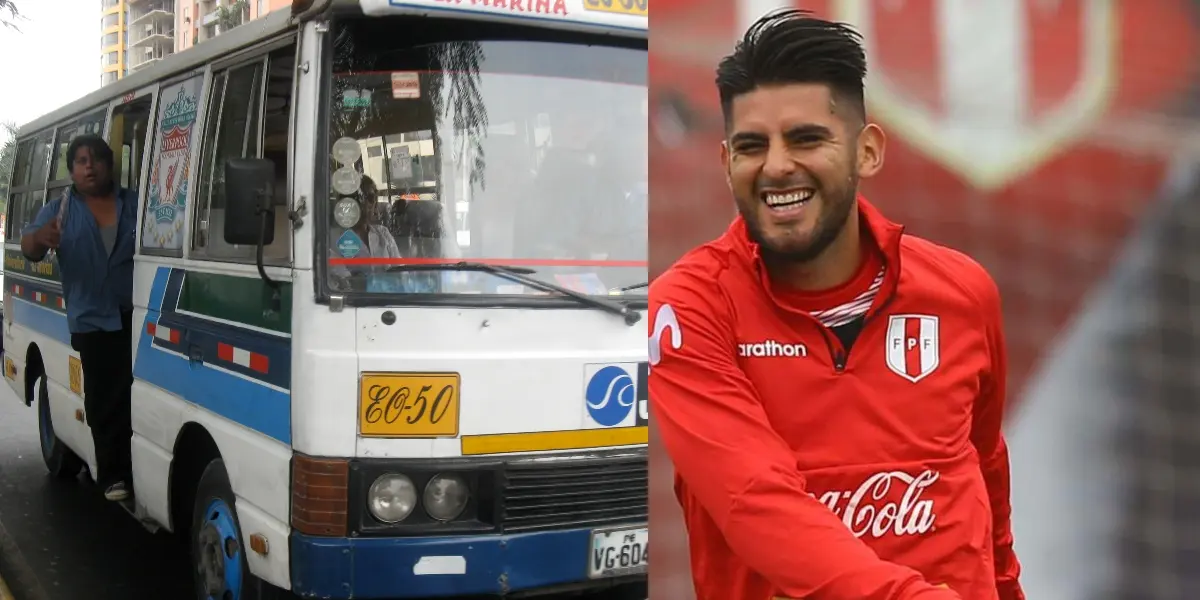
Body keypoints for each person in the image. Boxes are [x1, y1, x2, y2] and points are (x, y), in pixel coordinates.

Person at [648, 10, 1023, 600]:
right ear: (726, 165)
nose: (776, 166)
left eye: (806, 138)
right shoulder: (689, 308)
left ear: (867, 151)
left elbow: (985, 478)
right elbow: (755, 500)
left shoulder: (962, 290)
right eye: (752, 146)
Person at [20, 135, 138, 502]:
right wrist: (42, 236)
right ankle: (113, 476)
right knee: (104, 398)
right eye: (82, 161)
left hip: (135, 314)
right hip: (91, 319)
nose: (90, 166)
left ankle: (135, 467)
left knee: (135, 395)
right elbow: (30, 248)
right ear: (71, 170)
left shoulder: (133, 203)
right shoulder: (61, 209)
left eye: (97, 159)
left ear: (110, 165)